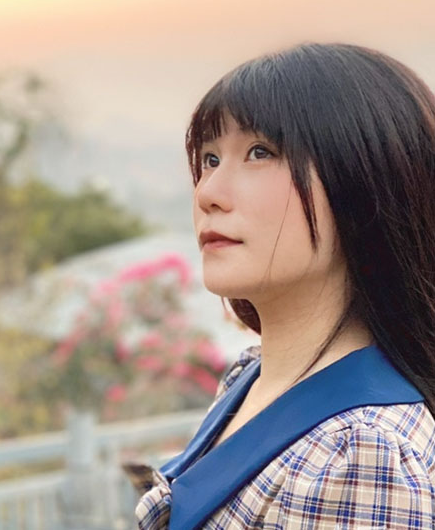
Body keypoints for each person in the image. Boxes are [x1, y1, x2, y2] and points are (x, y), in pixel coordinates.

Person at [126, 42, 435, 529]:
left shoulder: (360, 452)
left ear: (365, 183)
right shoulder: (250, 376)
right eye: (210, 159)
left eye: (260, 152)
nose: (208, 193)